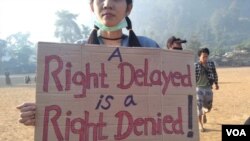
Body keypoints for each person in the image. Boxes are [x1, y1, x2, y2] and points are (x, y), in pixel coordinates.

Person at [16, 0, 159, 126]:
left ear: (129, 8)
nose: (108, 4)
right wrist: (42, 115)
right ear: (92, 6)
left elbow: (166, 99)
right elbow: (67, 103)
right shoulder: (74, 52)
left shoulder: (149, 47)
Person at [195, 48, 219, 132]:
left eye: (206, 56)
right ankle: (200, 125)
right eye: (203, 56)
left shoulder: (211, 64)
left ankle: (205, 112)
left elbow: (215, 73)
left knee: (209, 107)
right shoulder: (196, 66)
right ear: (199, 57)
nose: (205, 58)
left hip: (208, 88)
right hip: (198, 88)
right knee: (199, 107)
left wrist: (216, 83)